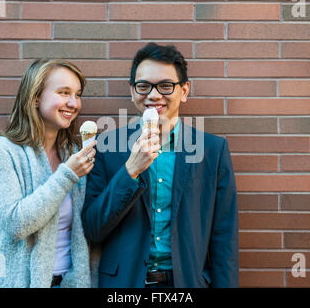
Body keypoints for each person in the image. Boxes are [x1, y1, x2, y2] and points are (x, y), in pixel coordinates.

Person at [82, 43, 239, 288]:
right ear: (132, 91)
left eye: (166, 86)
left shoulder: (212, 150)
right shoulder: (105, 146)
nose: (154, 95)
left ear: (184, 90)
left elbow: (224, 238)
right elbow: (92, 229)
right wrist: (130, 171)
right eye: (143, 86)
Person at [0, 59, 99, 288]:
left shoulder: (73, 153)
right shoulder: (1, 151)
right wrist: (67, 175)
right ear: (35, 97)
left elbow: (83, 230)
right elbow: (16, 224)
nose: (73, 103)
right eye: (64, 93)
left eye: (77, 94)